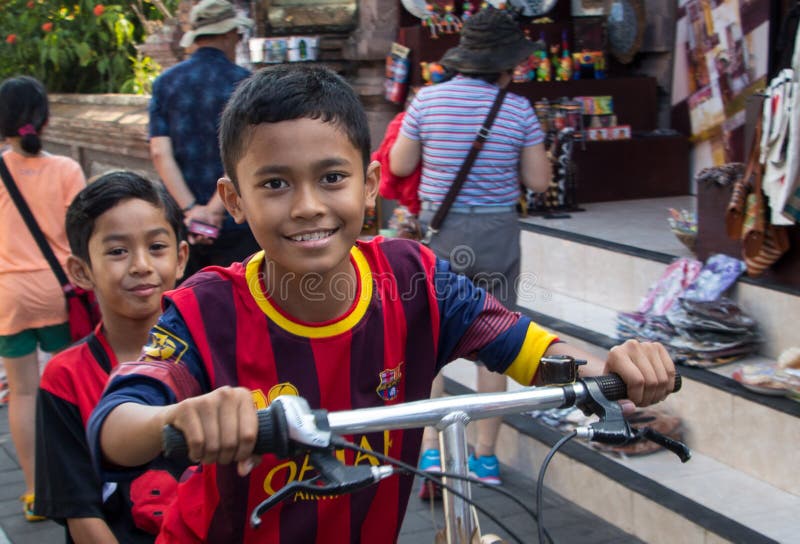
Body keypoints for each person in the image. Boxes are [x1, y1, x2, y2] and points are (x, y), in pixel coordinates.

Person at [86, 65, 676, 542]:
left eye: (332, 178)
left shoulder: (415, 279)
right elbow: (114, 426)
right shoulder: (204, 308)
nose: (308, 206)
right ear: (234, 199)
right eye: (274, 184)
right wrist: (180, 418)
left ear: (369, 187)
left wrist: (613, 368)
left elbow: (526, 348)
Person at [389, 7, 552, 489]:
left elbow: (399, 165)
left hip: (440, 234)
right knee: (497, 341)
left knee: (428, 341)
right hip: (498, 232)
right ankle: (485, 458)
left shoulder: (426, 101)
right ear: (507, 64)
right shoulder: (519, 110)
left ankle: (431, 452)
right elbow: (539, 181)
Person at [34, 172, 190, 542]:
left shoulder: (216, 353)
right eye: (118, 251)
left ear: (181, 257)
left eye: (157, 247)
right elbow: (80, 514)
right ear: (81, 271)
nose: (141, 265)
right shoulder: (66, 376)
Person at [0, 75, 87, 521]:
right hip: (59, 292)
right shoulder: (67, 170)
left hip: (8, 295)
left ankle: (35, 493)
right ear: (45, 119)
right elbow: (83, 233)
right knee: (69, 385)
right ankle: (75, 482)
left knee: (21, 393)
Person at [148, 0, 259, 279]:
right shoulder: (246, 83)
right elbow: (249, 153)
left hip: (183, 221)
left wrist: (193, 211)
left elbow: (160, 152)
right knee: (240, 296)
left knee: (188, 299)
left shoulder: (166, 83)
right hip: (236, 218)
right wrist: (214, 209)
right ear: (228, 34)